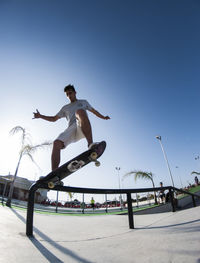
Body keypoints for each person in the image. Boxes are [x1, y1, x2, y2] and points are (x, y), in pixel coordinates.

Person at [33, 84, 110, 171]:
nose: (69, 96)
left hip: (82, 127)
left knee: (80, 111)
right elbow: (54, 119)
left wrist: (103, 117)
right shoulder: (65, 108)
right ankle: (54, 173)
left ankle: (90, 145)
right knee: (56, 143)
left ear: (75, 92)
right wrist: (40, 116)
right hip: (71, 130)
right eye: (67, 94)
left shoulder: (84, 102)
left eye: (70, 93)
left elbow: (94, 111)